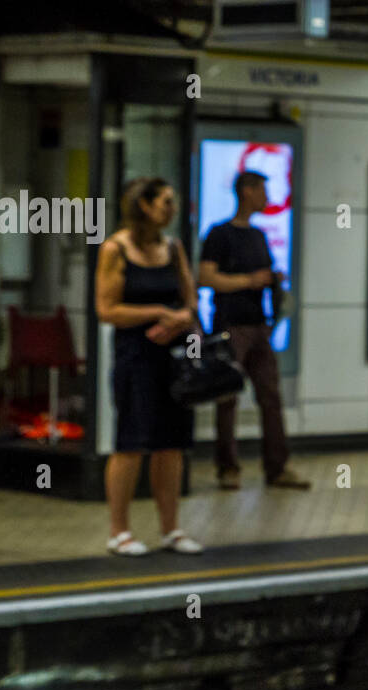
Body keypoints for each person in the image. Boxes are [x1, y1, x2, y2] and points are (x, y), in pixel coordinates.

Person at [95, 177, 203, 556]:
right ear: (144, 206)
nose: (172, 209)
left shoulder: (174, 249)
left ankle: (170, 528)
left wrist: (179, 320)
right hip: (134, 356)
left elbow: (191, 302)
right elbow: (106, 309)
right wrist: (157, 312)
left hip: (172, 358)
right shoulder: (115, 249)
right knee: (131, 442)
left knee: (170, 444)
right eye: (166, 202)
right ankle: (119, 530)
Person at [198, 170, 308, 491]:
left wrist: (272, 281)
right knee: (228, 398)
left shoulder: (259, 236)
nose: (267, 198)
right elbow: (206, 278)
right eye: (262, 190)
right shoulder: (219, 234)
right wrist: (249, 281)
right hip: (230, 325)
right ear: (246, 192)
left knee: (270, 397)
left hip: (259, 325)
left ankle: (277, 468)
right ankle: (227, 468)